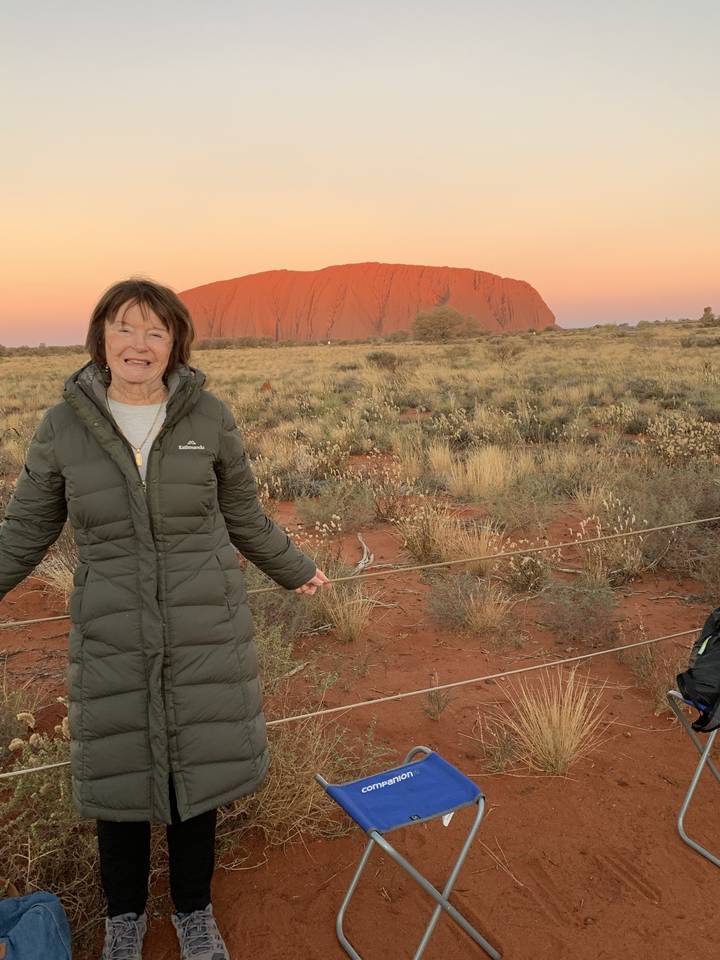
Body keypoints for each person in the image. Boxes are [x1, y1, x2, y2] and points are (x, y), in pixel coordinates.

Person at [0, 278, 330, 960]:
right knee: (119, 772)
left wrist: (294, 567)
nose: (139, 344)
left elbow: (244, 514)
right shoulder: (64, 425)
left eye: (155, 331)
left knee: (194, 778)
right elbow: (27, 527)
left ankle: (192, 912)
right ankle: (124, 918)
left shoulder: (207, 417)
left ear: (176, 343)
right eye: (125, 327)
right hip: (113, 626)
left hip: (201, 624)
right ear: (101, 337)